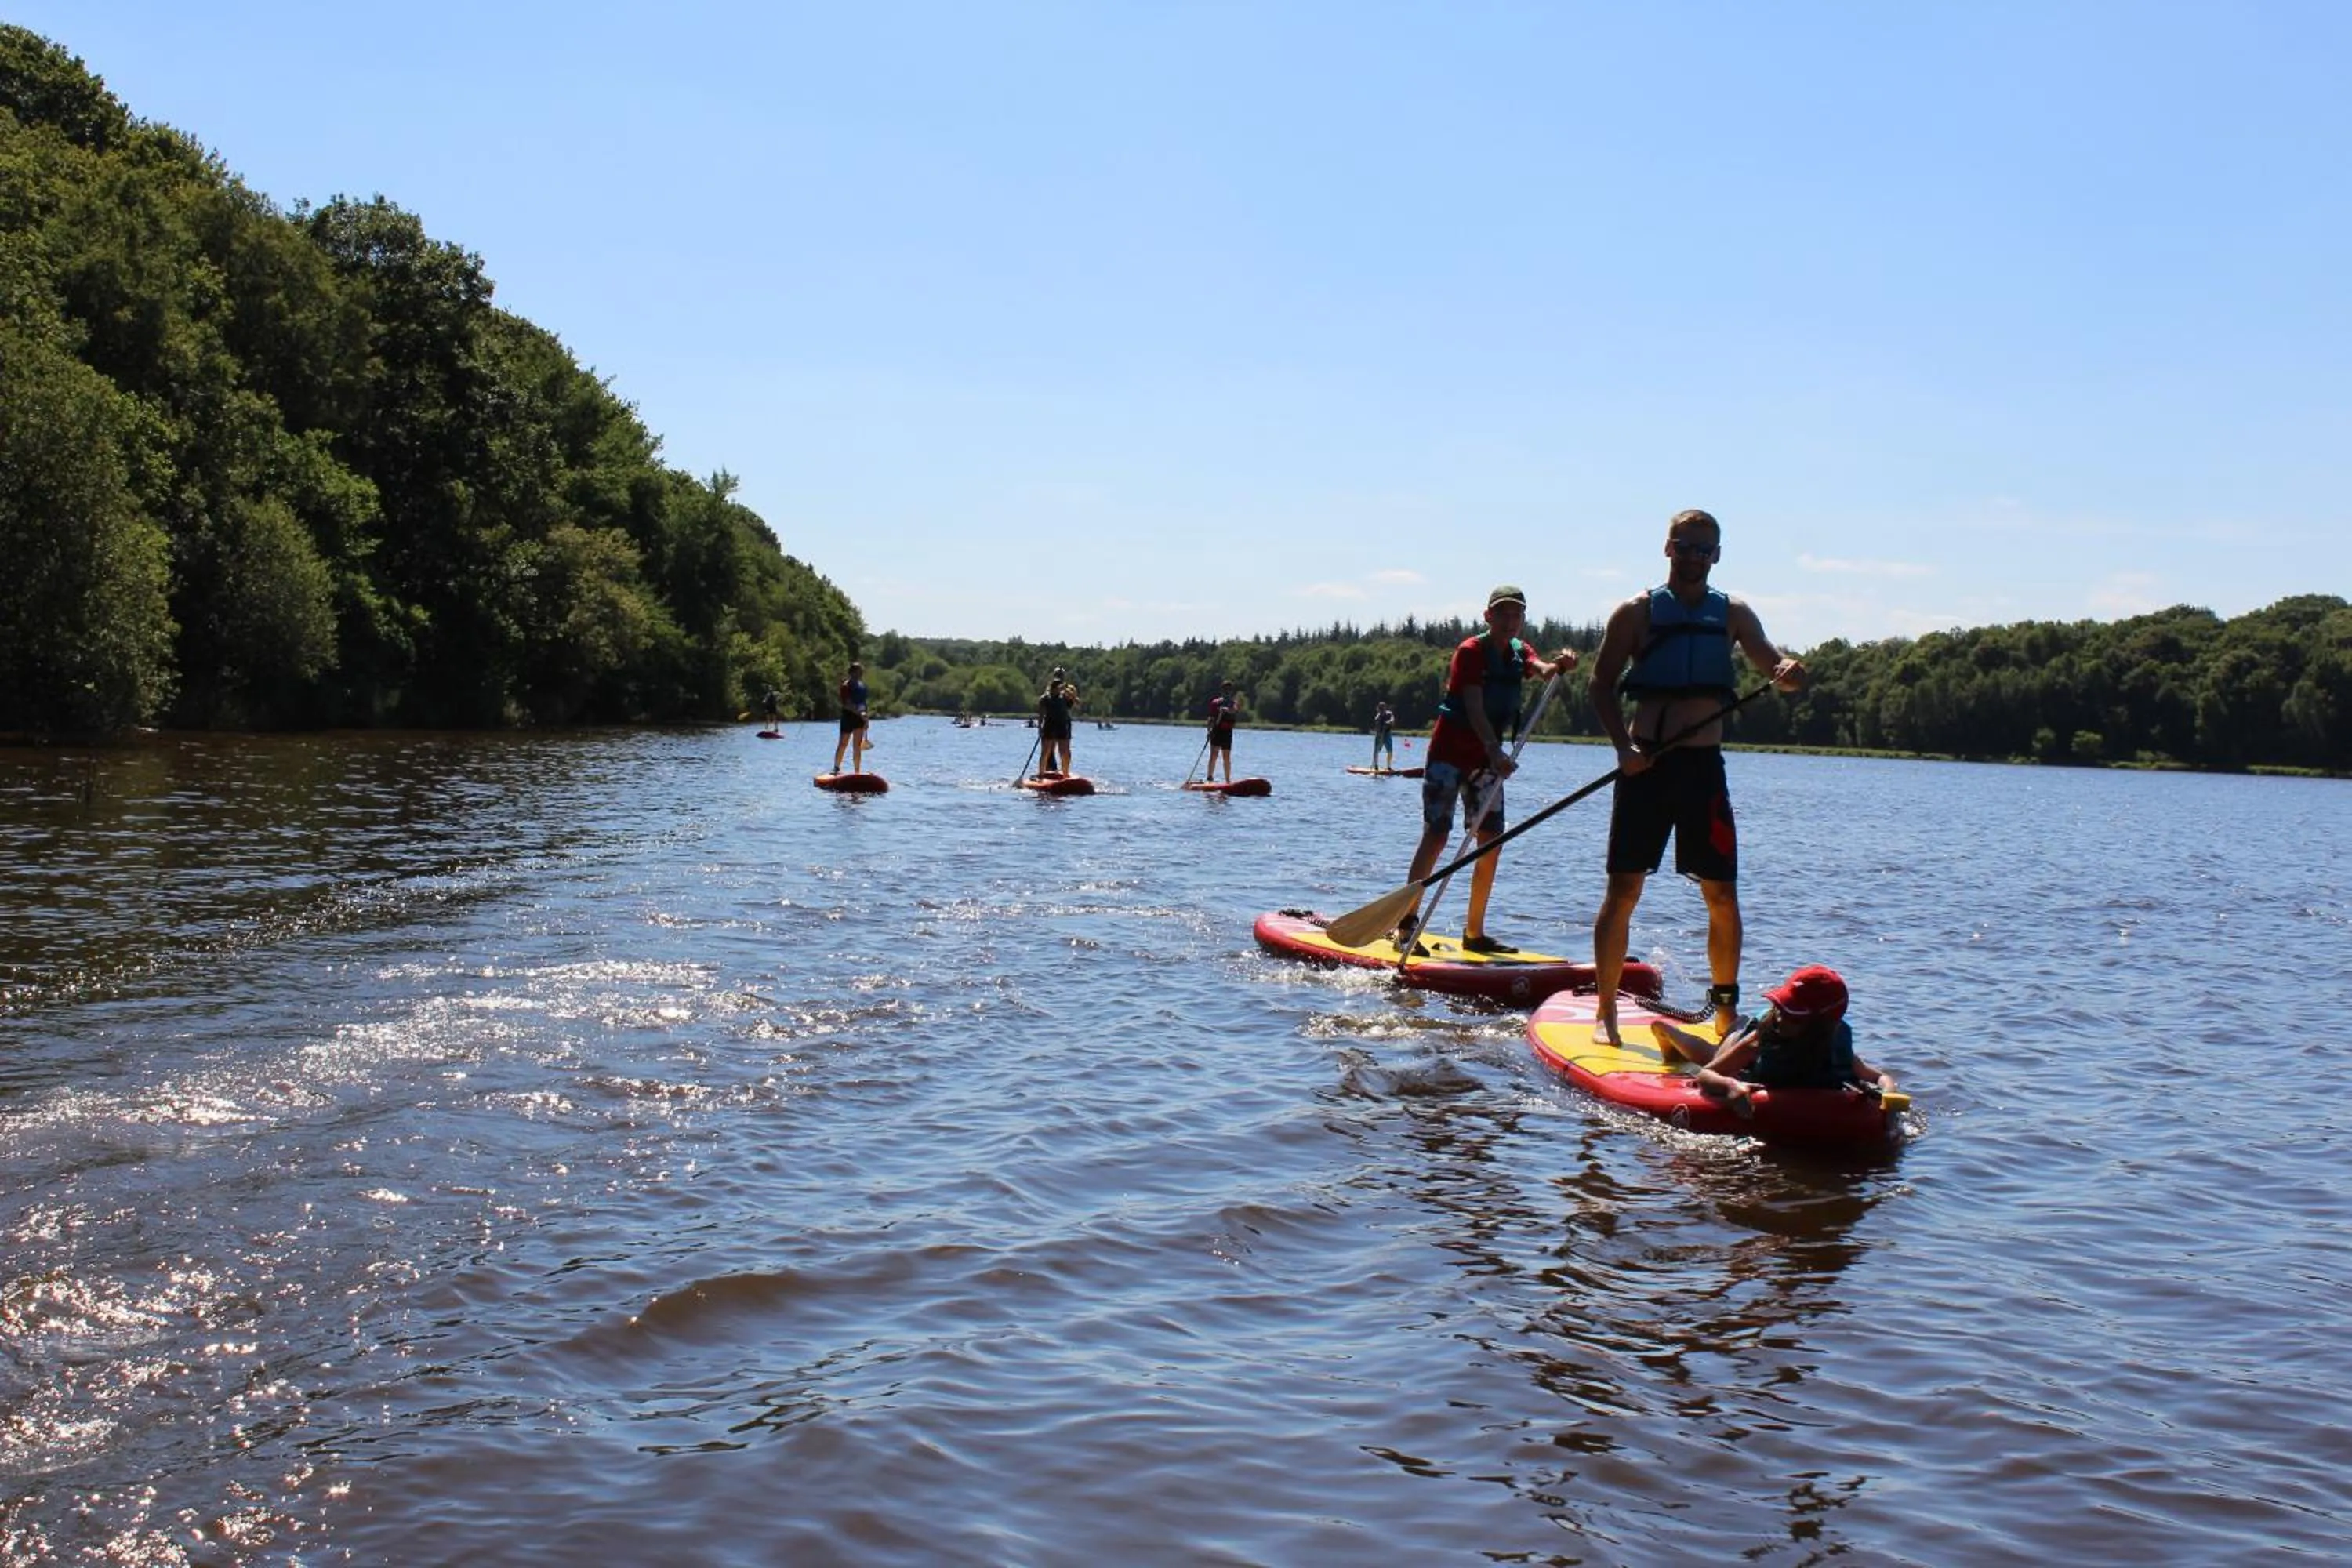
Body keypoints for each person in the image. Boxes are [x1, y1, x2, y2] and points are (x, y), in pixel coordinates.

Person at [1588, 510, 1807, 1045]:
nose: (1694, 557)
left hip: (1703, 772)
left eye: (1704, 550)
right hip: (1646, 767)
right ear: (1668, 548)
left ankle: (1726, 1015)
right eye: (1686, 547)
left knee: (1723, 895)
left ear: (1717, 556)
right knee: (1624, 891)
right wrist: (1624, 749)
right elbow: (1599, 687)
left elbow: (1776, 668)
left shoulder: (1732, 613)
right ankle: (1606, 1013)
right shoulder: (1635, 613)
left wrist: (1791, 674)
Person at [1393, 586, 1577, 953]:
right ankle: (1406, 925)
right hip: (1449, 756)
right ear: (1488, 616)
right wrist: (1495, 750)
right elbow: (1474, 706)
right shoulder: (1471, 651)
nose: (1510, 621)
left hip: (1487, 763)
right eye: (1503, 614)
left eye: (1516, 615)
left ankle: (1474, 934)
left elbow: (1540, 669)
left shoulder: (1519, 651)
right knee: (1437, 836)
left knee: (1490, 843)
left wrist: (1560, 665)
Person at [1650, 964, 1897, 1118]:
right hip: (1746, 1034)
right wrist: (1731, 1087)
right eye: (1780, 1008)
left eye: (1793, 1016)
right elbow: (1706, 1074)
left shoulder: (1835, 1042)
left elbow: (1879, 1077)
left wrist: (1887, 1094)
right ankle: (1667, 1032)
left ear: (1822, 1027)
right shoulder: (1767, 1033)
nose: (1780, 1018)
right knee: (1710, 1055)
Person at [1036, 667, 1080, 775]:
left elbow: (1077, 703)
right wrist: (1040, 727)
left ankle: (1065, 773)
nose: (1060, 676)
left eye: (1061, 675)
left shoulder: (1066, 693)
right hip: (1050, 724)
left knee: (1064, 751)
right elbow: (1041, 714)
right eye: (1058, 674)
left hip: (1062, 724)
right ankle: (1042, 773)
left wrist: (1071, 695)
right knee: (1046, 751)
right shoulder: (1045, 697)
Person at [831, 661, 869, 773]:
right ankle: (836, 768)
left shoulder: (863, 686)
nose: (860, 674)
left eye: (861, 672)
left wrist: (866, 718)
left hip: (860, 719)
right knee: (843, 744)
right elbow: (847, 704)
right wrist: (860, 713)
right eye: (858, 672)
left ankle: (857, 771)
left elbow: (863, 704)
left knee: (857, 746)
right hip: (848, 717)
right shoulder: (845, 686)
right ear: (852, 673)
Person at [1205, 680, 1241, 782]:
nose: (1227, 692)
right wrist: (1209, 731)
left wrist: (1226, 710)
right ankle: (1210, 777)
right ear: (1222, 690)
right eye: (1226, 690)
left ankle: (1228, 780)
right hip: (1216, 730)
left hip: (1227, 732)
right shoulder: (1215, 703)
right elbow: (1211, 718)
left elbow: (1234, 710)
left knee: (1226, 756)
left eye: (1229, 690)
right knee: (1214, 754)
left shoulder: (1234, 703)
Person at [1371, 700, 1396, 770]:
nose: (1382, 710)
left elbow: (1392, 720)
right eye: (1381, 708)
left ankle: (1389, 767)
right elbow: (1377, 727)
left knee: (1390, 751)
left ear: (1385, 708)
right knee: (1376, 750)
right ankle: (1376, 766)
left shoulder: (1389, 714)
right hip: (1379, 735)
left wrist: (1389, 722)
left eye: (1383, 708)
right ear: (1379, 709)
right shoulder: (1378, 717)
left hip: (1387, 734)